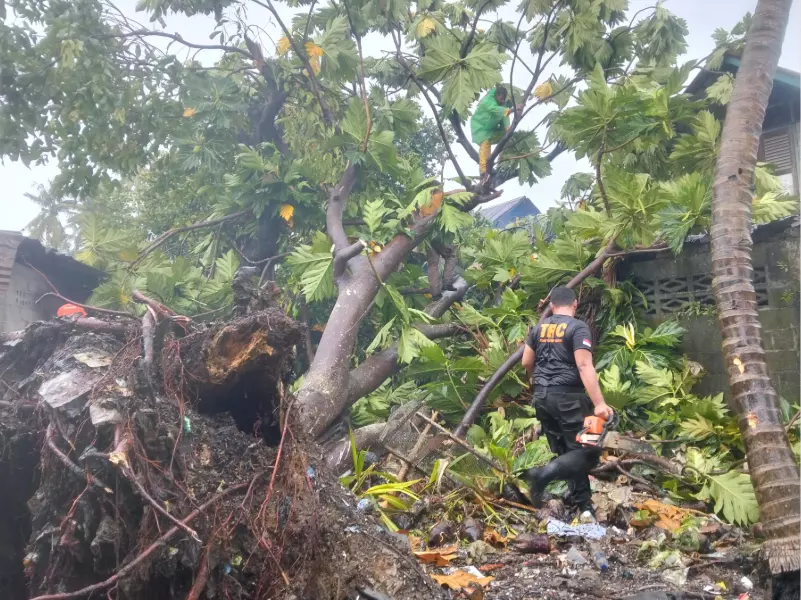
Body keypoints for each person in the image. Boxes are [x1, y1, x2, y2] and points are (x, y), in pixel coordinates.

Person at [521, 286, 614, 519]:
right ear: (575, 304)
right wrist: (600, 403)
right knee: (587, 451)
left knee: (564, 450)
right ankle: (543, 475)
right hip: (568, 398)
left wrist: (539, 383)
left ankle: (582, 504)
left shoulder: (539, 328)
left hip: (542, 397)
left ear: (552, 306)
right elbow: (584, 365)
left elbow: (526, 362)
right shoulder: (577, 327)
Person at [470, 86, 522, 176]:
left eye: (503, 100)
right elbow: (495, 110)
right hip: (480, 128)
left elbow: (504, 116)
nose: (502, 101)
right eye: (501, 99)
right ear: (496, 96)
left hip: (491, 129)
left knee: (506, 138)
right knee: (485, 144)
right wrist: (512, 109)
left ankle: (501, 162)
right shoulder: (488, 101)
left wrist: (508, 129)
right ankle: (483, 171)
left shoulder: (502, 104)